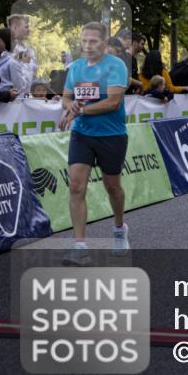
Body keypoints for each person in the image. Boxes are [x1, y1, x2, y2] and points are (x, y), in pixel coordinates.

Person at [58, 22, 131, 265]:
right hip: (82, 134)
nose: (87, 45)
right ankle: (80, 247)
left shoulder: (116, 65)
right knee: (76, 186)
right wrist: (69, 107)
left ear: (104, 43)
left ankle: (119, 229)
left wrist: (81, 111)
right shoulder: (76, 67)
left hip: (111, 134)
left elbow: (112, 102)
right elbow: (67, 97)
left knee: (112, 187)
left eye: (93, 41)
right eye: (84, 41)